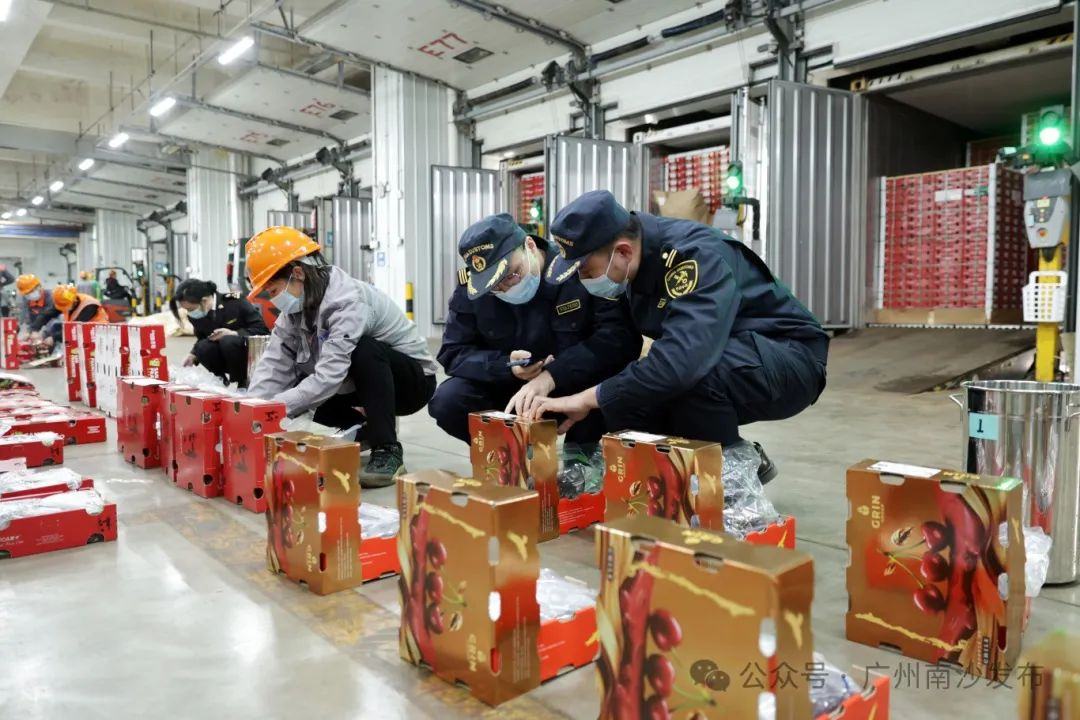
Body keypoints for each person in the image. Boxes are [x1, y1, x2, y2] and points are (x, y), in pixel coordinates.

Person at [530, 190, 830, 482]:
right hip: (729, 354)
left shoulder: (695, 256)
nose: (582, 280)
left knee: (688, 375)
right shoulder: (627, 268)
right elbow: (616, 344)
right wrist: (558, 380)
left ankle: (731, 482)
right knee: (626, 397)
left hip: (789, 358)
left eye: (584, 269)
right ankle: (663, 484)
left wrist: (588, 399)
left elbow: (682, 362)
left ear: (623, 251)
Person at [244, 227, 438, 487]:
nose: (273, 300)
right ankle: (365, 432)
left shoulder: (347, 300)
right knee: (306, 398)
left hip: (411, 383)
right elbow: (274, 364)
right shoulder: (294, 313)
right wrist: (252, 410)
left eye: (273, 291)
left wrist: (276, 406)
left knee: (363, 350)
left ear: (298, 274)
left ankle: (387, 449)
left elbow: (329, 376)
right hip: (361, 383)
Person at [428, 213, 641, 446]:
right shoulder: (474, 289)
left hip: (575, 387)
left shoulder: (574, 267)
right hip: (513, 393)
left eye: (511, 275)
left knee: (616, 382)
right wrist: (505, 366)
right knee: (449, 400)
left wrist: (553, 375)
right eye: (494, 286)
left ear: (530, 246)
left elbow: (617, 338)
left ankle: (583, 453)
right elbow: (453, 352)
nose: (506, 287)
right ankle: (510, 456)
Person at [169, 278, 268, 387]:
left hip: (247, 353)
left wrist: (234, 333)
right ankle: (219, 380)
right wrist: (193, 354)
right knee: (202, 347)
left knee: (228, 340)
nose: (190, 313)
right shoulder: (195, 315)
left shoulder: (235, 301)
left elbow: (261, 329)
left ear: (204, 301)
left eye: (191, 309)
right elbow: (202, 338)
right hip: (224, 355)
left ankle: (243, 381)